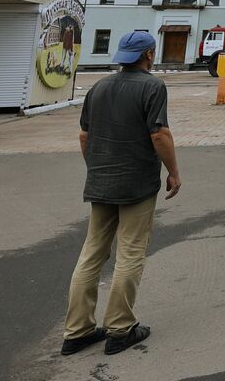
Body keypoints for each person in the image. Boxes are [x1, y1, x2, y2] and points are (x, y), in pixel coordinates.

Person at [61, 30, 181, 357]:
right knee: (130, 252)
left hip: (100, 182)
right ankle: (120, 327)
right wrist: (173, 171)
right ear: (149, 55)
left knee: (92, 253)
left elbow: (85, 136)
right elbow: (160, 135)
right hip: (137, 184)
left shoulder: (99, 88)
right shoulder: (153, 87)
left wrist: (97, 168)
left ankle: (77, 331)